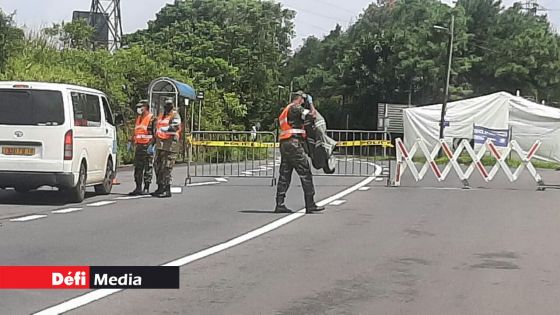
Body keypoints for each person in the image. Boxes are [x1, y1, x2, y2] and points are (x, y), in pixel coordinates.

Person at [275, 91, 325, 214]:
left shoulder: (285, 110)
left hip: (285, 144)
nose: (304, 102)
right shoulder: (296, 108)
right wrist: (311, 103)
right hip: (294, 144)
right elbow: (312, 115)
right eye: (303, 100)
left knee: (285, 174)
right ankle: (310, 204)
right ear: (300, 99)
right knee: (305, 173)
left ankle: (279, 204)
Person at [151, 99, 182, 198]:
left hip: (170, 146)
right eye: (166, 105)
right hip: (160, 145)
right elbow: (156, 128)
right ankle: (160, 187)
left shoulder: (175, 115)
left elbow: (176, 127)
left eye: (169, 105)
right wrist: (153, 143)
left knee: (166, 168)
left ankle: (167, 189)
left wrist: (167, 128)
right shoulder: (161, 115)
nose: (167, 106)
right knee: (158, 166)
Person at [128, 100, 155, 196]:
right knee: (138, 169)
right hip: (139, 146)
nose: (139, 109)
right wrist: (131, 141)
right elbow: (136, 132)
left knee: (148, 167)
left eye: (141, 107)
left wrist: (152, 145)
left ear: (146, 107)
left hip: (147, 146)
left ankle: (146, 188)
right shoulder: (139, 118)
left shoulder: (151, 119)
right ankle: (138, 187)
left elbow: (154, 134)